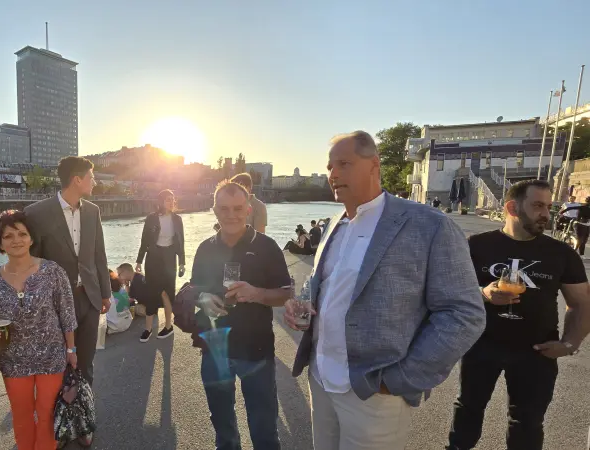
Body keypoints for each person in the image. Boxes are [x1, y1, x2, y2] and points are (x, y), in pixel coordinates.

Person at [284, 131, 486, 450]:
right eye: (330, 166)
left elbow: (464, 313)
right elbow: (322, 282)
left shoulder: (429, 225)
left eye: (344, 164)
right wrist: (303, 302)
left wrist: (400, 379)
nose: (333, 174)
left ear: (374, 165)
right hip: (321, 379)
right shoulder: (334, 224)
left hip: (374, 393)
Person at [447, 180, 590, 450]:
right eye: (537, 206)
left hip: (537, 351)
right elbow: (449, 291)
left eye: (548, 207)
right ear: (512, 208)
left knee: (527, 422)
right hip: (482, 344)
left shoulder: (561, 253)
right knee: (468, 409)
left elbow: (582, 303)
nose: (546, 214)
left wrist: (569, 344)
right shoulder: (476, 246)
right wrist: (483, 293)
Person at [192, 180, 293, 450]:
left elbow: (285, 293)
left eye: (238, 208)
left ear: (249, 209)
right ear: (215, 210)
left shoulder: (267, 247)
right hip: (215, 350)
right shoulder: (205, 248)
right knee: (223, 428)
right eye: (224, 209)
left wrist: (257, 293)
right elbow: (194, 289)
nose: (231, 215)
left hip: (256, 351)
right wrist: (203, 299)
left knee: (264, 430)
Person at [24, 156, 111, 447]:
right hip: (53, 304)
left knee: (86, 363)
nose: (94, 182)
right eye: (91, 177)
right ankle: (56, 425)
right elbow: (31, 262)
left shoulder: (93, 211)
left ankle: (83, 420)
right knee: (55, 367)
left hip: (89, 297)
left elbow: (99, 255)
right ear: (77, 179)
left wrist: (106, 292)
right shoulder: (36, 213)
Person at [0, 210, 78, 450]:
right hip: (13, 359)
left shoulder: (53, 271)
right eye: (8, 236)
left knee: (47, 414)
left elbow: (67, 313)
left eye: (22, 234)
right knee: (21, 416)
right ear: (0, 243)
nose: (16, 240)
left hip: (51, 356)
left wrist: (71, 349)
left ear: (31, 238)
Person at [135, 189, 186, 342]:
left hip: (170, 258)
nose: (171, 202)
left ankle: (168, 326)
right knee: (151, 292)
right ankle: (148, 329)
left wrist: (182, 262)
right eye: (167, 199)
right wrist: (139, 261)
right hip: (153, 258)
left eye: (172, 199)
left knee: (167, 293)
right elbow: (144, 240)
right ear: (161, 202)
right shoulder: (151, 218)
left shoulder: (177, 219)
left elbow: (181, 241)